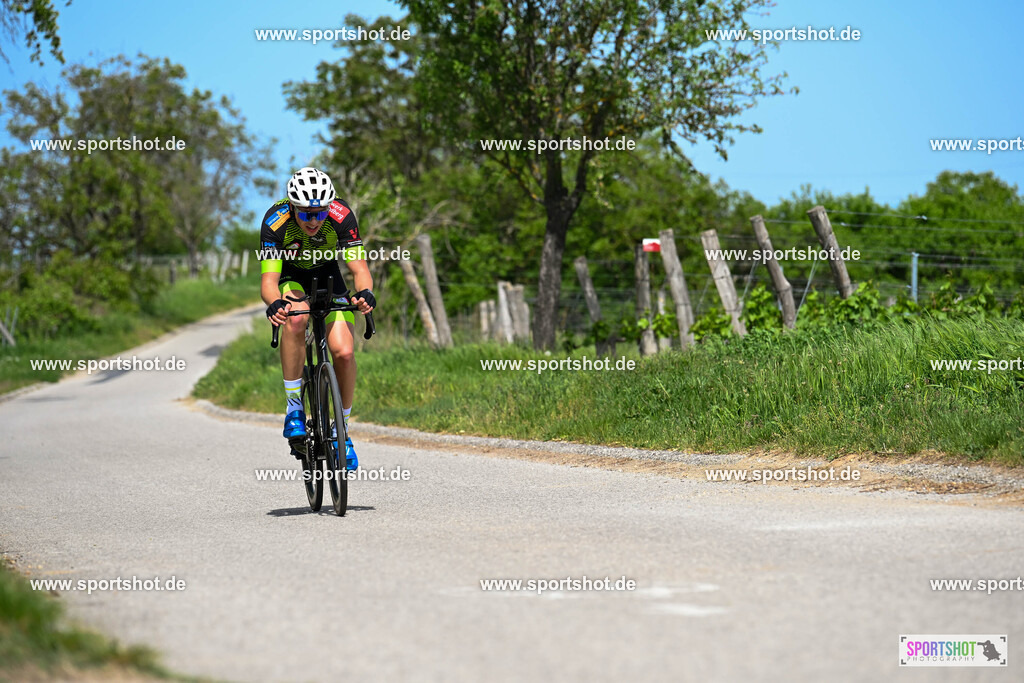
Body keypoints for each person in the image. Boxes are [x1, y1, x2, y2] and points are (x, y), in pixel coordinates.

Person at [259, 167, 374, 469]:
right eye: (306, 214)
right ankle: (295, 407)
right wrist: (274, 304)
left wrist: (365, 294)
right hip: (291, 277)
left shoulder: (341, 215)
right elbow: (269, 281)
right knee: (296, 319)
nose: (313, 221)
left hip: (328, 275)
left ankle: (342, 432)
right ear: (293, 207)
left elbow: (359, 269)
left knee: (345, 352)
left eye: (319, 214)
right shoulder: (275, 221)